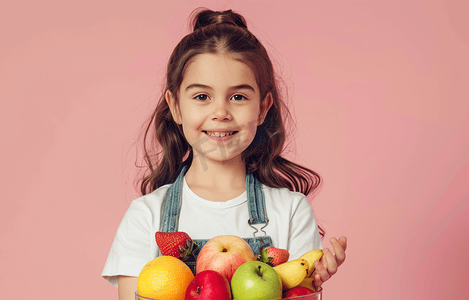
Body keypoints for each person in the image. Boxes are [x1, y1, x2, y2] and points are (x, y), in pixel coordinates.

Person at [102, 8, 347, 300]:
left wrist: (309, 285)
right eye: (202, 96)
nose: (220, 113)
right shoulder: (145, 218)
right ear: (175, 106)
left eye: (238, 97)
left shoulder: (291, 212)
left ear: (263, 107)